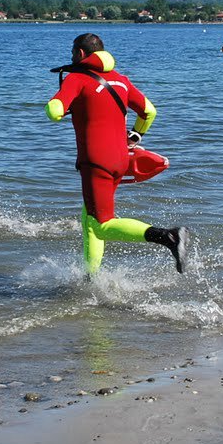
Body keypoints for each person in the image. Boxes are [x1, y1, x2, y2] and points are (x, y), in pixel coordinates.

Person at [46, 33, 186, 276]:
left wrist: (60, 108)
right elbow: (149, 111)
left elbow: (54, 110)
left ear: (80, 54)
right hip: (120, 159)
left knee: (102, 224)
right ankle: (91, 276)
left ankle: (167, 236)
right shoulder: (121, 80)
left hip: (95, 162)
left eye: (72, 53)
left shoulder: (76, 78)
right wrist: (136, 136)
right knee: (90, 219)